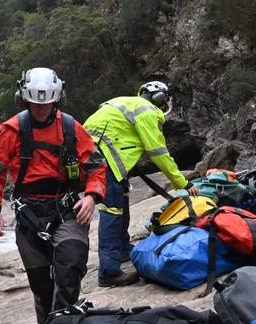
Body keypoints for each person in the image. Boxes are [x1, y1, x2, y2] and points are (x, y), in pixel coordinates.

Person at [0, 67, 106, 324]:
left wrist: (93, 196)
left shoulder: (72, 128)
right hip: (30, 214)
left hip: (67, 209)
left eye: (47, 103)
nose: (41, 109)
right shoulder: (11, 130)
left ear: (56, 99)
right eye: (36, 104)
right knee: (41, 285)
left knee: (70, 267)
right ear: (23, 99)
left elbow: (96, 166)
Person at [83, 81, 198, 288]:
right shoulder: (148, 111)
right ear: (160, 100)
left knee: (121, 201)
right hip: (104, 160)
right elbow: (158, 152)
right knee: (112, 212)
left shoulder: (126, 102)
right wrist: (182, 182)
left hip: (94, 155)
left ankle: (123, 250)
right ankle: (108, 273)